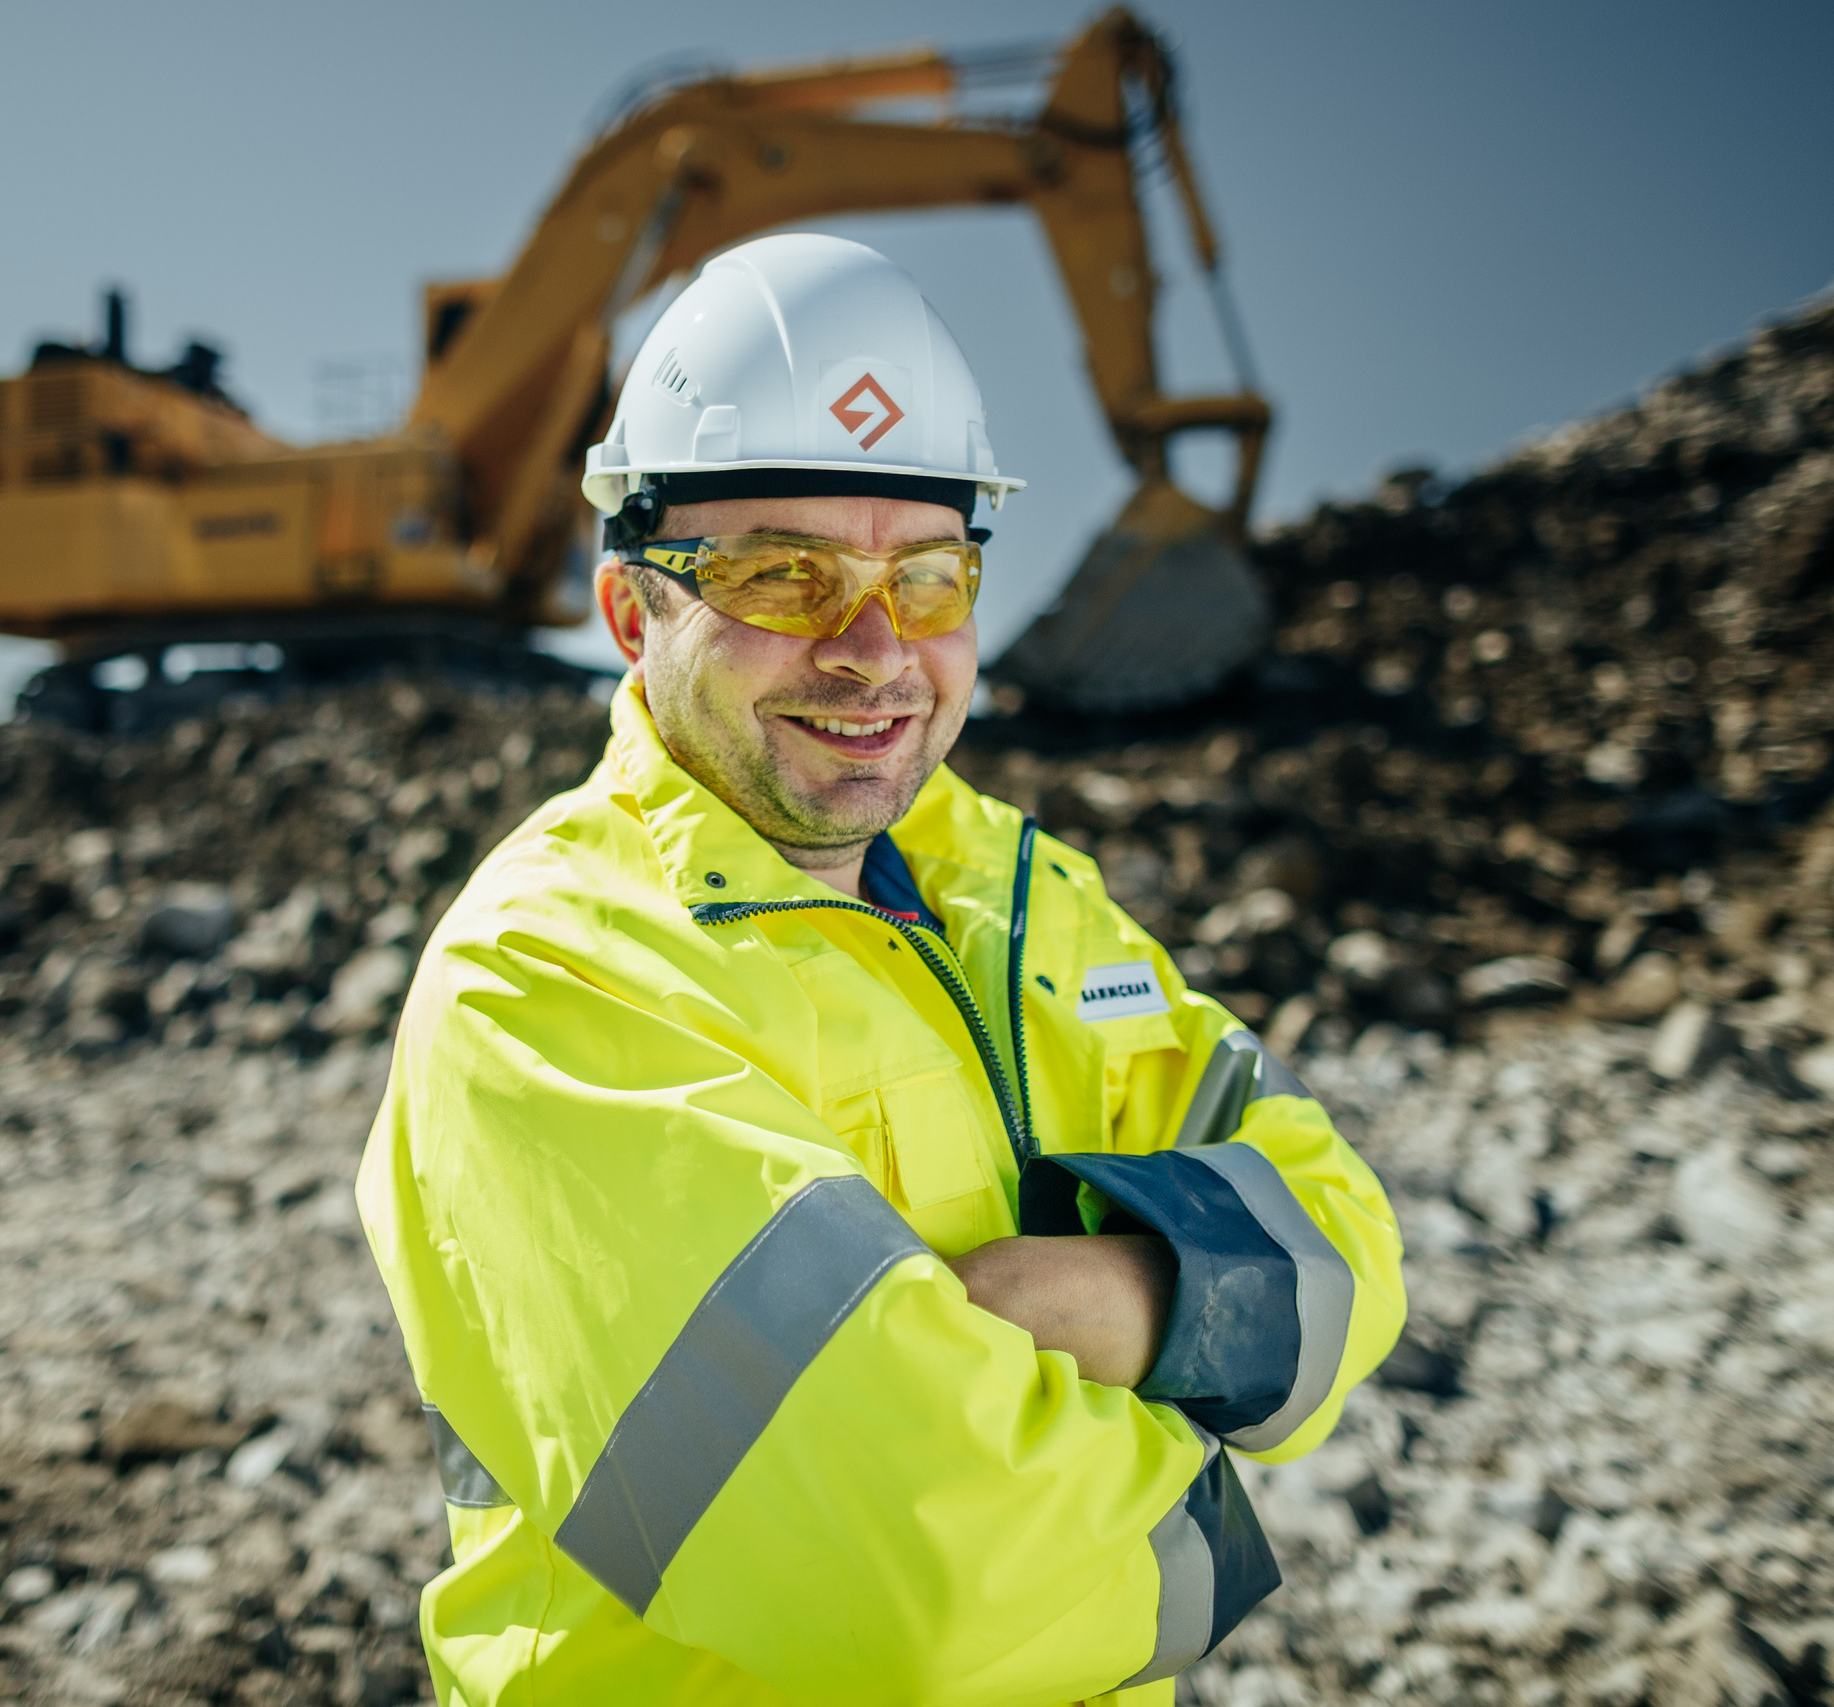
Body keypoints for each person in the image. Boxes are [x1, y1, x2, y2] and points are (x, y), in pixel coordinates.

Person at [357, 234, 1404, 1706]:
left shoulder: (1023, 898)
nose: (873, 649)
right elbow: (931, 1577)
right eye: (783, 577)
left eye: (926, 579)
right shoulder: (548, 978)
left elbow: (1347, 1231)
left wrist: (1128, 1295)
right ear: (634, 613)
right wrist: (1211, 1463)